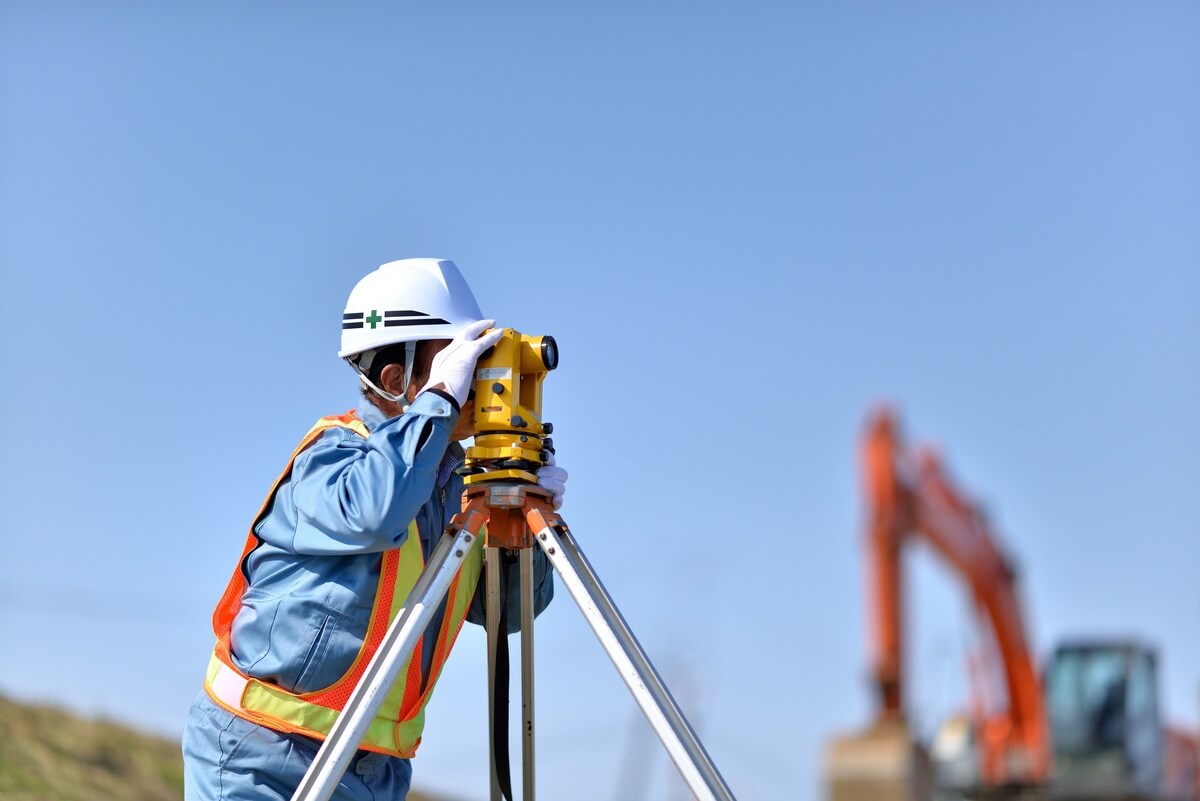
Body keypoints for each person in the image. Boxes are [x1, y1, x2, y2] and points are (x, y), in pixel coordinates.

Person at [183, 258, 563, 801]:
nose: (478, 375)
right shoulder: (332, 455)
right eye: (461, 359)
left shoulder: (459, 484)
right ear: (395, 378)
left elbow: (507, 612)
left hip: (373, 773)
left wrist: (525, 517)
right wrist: (437, 406)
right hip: (261, 755)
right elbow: (376, 510)